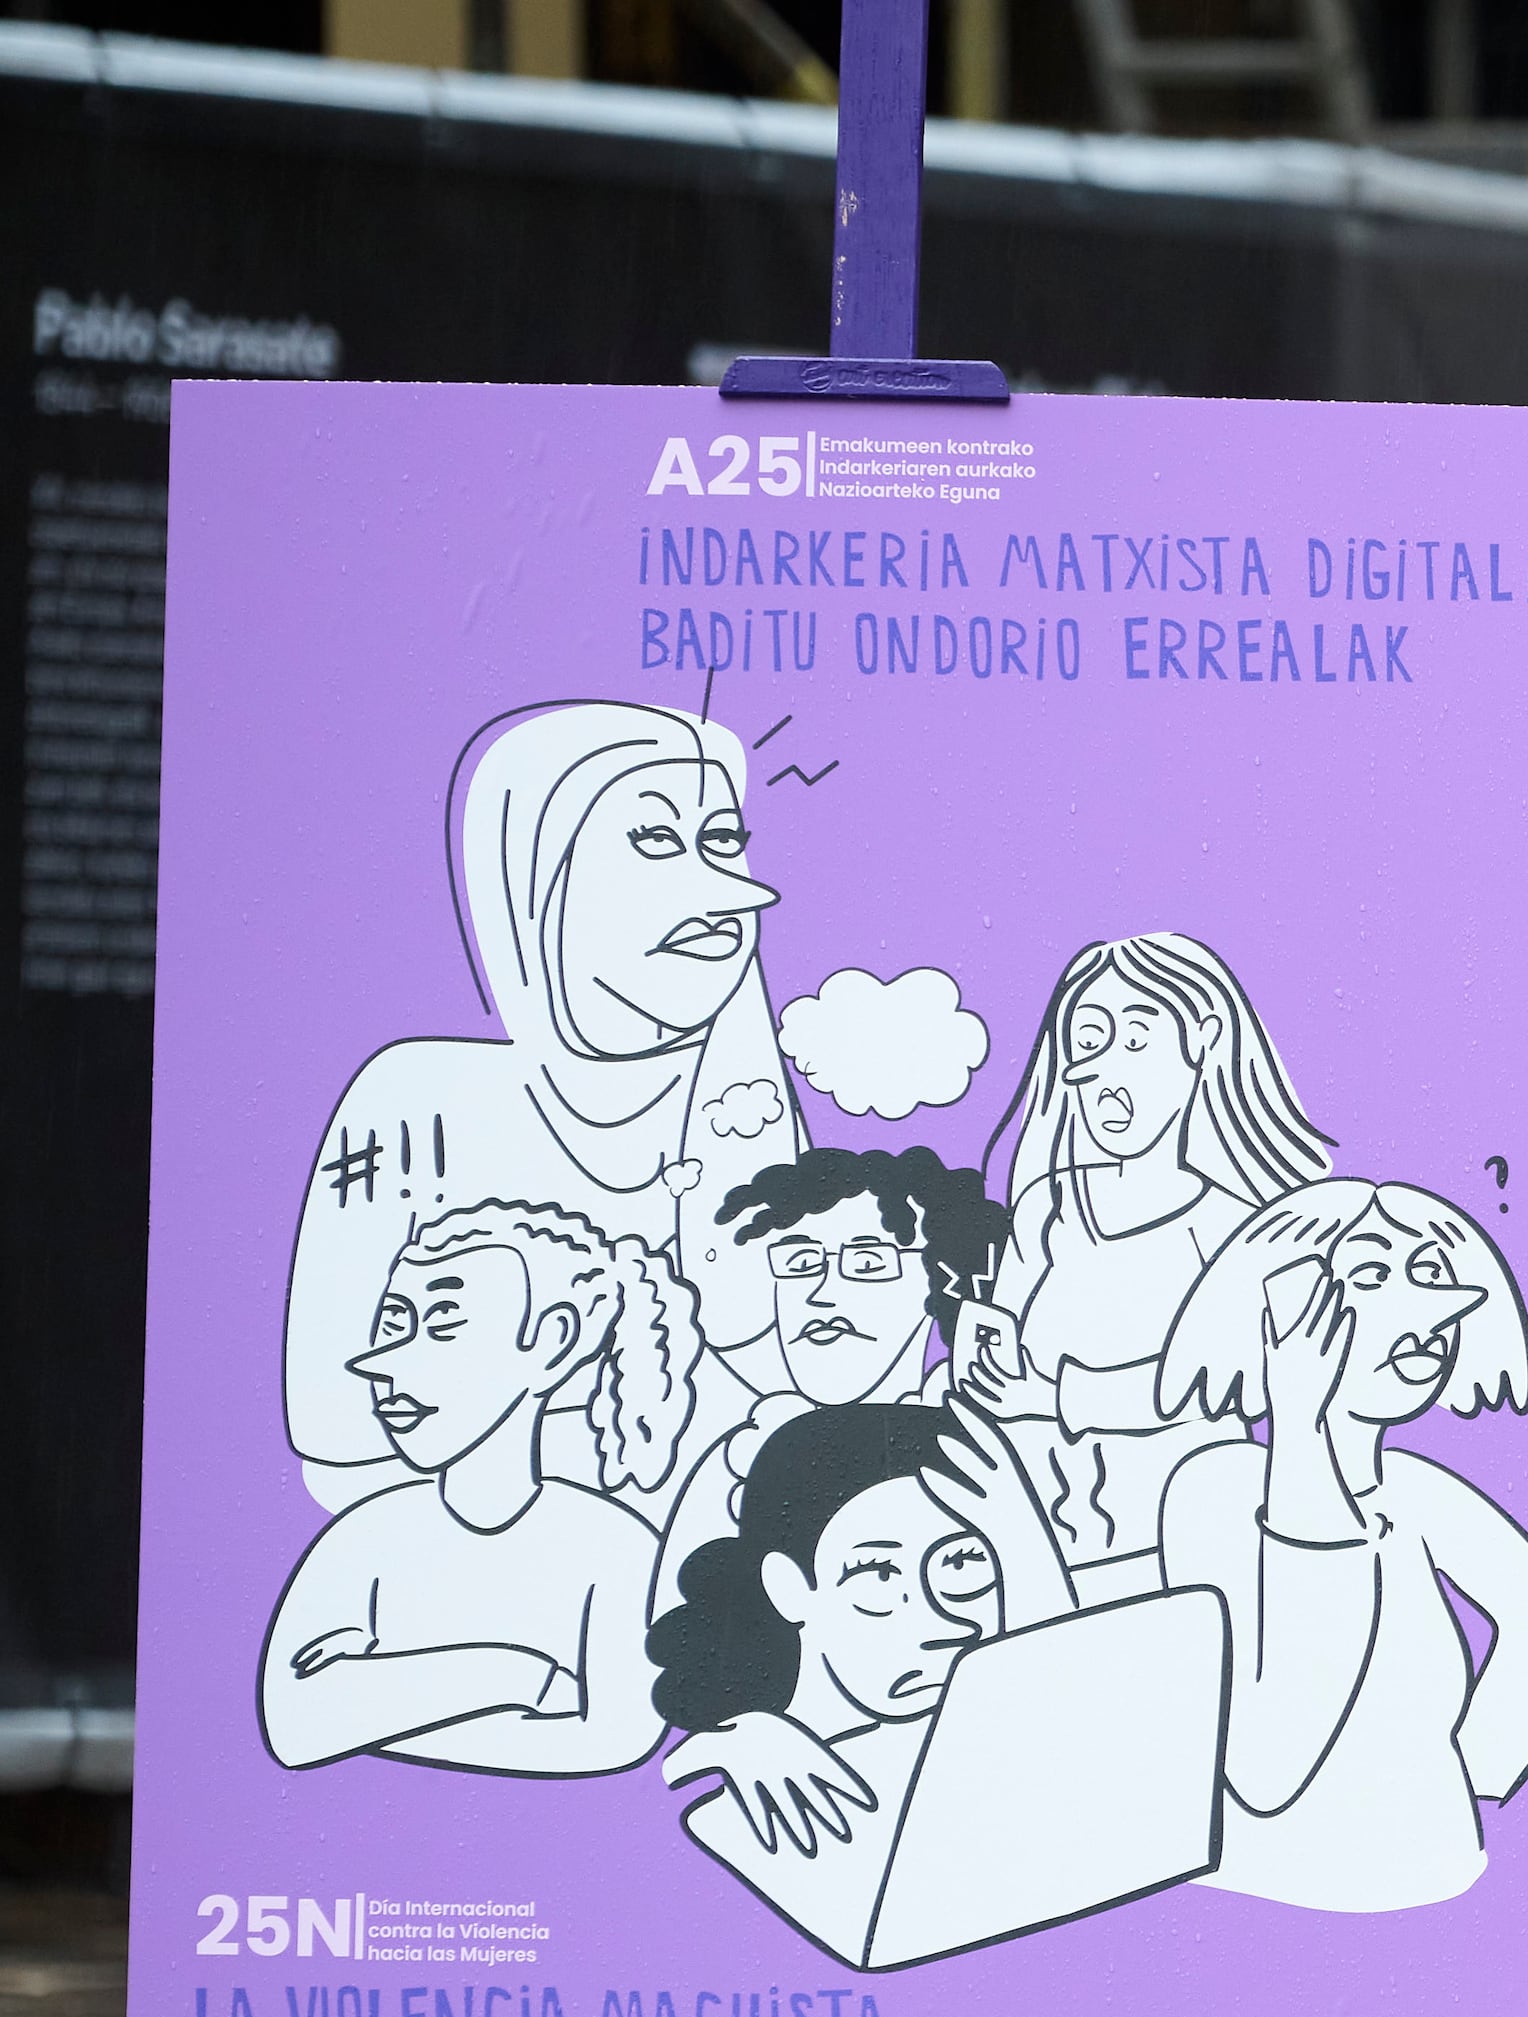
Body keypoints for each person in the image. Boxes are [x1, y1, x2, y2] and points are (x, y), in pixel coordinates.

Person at [290, 702, 803, 1515]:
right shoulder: (415, 1108)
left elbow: (789, 1403)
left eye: (725, 843)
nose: (727, 892)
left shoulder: (744, 1120)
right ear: (535, 878)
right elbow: (336, 1430)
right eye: (657, 841)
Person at [1152, 1178, 1528, 1911]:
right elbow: (1268, 1762)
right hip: (1265, 1902)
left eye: (1431, 1274)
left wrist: (1457, 1779)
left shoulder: (1418, 1490)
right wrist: (1296, 1426)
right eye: (1371, 1272)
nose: (1423, 1313)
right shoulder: (1216, 1487)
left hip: (1439, 1883)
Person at [258, 1197, 697, 1779]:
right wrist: (512, 1674)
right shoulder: (361, 1540)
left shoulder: (617, 1553)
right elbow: (292, 1728)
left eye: (442, 1326)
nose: (380, 1364)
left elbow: (612, 1740)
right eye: (394, 1326)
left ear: (552, 1342)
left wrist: (366, 1701)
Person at [963, 931, 1337, 1571]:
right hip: (1045, 1538)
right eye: (1089, 1042)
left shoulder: (1235, 1227)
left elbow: (1232, 1384)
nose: (1107, 1070)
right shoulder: (1046, 1208)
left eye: (1136, 1039)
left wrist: (1060, 1398)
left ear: (1204, 1040)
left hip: (1187, 1540)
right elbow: (1004, 1359)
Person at [650, 1400, 1077, 1885]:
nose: (943, 1624)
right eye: (876, 1573)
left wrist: (1028, 1545)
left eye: (961, 1565)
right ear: (789, 1588)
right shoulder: (737, 1799)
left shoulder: (985, 1750)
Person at [650, 1144, 1015, 1618]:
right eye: (801, 1264)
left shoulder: (982, 1445)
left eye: (867, 1265)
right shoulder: (733, 1467)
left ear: (937, 1283)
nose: (822, 1294)